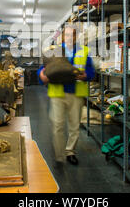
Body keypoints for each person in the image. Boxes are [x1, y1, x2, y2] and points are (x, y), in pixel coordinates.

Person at [38, 25, 95, 166]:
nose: (70, 38)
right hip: (58, 93)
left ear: (77, 37)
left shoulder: (84, 51)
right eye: (67, 35)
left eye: (73, 35)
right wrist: (41, 76)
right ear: (62, 37)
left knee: (74, 127)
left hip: (76, 94)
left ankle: (70, 152)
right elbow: (43, 69)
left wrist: (85, 75)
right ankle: (59, 156)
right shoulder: (53, 51)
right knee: (58, 125)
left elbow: (91, 72)